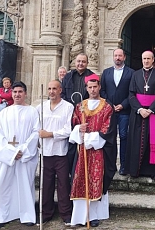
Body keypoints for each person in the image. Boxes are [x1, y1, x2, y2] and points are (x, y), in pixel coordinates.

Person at [0, 81, 40, 229]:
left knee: (25, 184)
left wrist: (23, 151)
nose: (17, 95)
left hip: (25, 155)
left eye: (20, 92)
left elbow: (36, 133)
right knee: (3, 184)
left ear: (25, 93)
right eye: (15, 92)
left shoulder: (33, 112)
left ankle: (26, 214)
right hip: (7, 155)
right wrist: (11, 152)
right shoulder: (5, 112)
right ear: (12, 94)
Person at [69, 74, 117, 228]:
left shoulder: (107, 107)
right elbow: (74, 125)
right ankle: (79, 216)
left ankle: (94, 215)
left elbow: (107, 129)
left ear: (99, 87)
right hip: (81, 150)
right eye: (89, 87)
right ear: (86, 88)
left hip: (98, 151)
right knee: (80, 179)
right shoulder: (80, 106)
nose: (92, 90)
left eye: (95, 86)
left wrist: (89, 140)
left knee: (96, 180)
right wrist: (79, 129)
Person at [36, 80, 74, 225]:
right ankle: (46, 213)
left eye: (54, 89)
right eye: (49, 88)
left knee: (64, 183)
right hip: (45, 152)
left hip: (60, 152)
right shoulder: (41, 107)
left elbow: (67, 130)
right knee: (46, 184)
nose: (51, 91)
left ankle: (66, 214)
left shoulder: (67, 107)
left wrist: (50, 134)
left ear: (60, 90)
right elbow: (36, 127)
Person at [127, 50, 155, 179]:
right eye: (144, 59)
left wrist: (150, 110)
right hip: (138, 114)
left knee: (151, 142)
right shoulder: (135, 74)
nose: (146, 61)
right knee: (137, 141)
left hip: (153, 113)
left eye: (149, 59)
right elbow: (131, 94)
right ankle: (136, 171)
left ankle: (153, 172)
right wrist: (140, 109)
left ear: (153, 59)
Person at [100, 48, 134, 175]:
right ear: (113, 57)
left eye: (120, 55)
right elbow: (102, 91)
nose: (118, 58)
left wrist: (123, 105)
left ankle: (124, 166)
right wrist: (110, 105)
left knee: (124, 137)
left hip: (124, 111)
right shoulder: (106, 72)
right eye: (116, 55)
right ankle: (110, 165)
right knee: (110, 138)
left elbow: (132, 91)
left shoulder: (131, 73)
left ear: (124, 57)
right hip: (109, 111)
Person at [62, 53, 94, 174]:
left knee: (84, 141)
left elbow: (94, 94)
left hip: (86, 114)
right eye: (78, 61)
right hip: (70, 113)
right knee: (71, 141)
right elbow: (63, 93)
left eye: (83, 62)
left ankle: (83, 170)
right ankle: (70, 169)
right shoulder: (68, 76)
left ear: (87, 63)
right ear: (75, 62)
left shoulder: (91, 76)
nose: (80, 64)